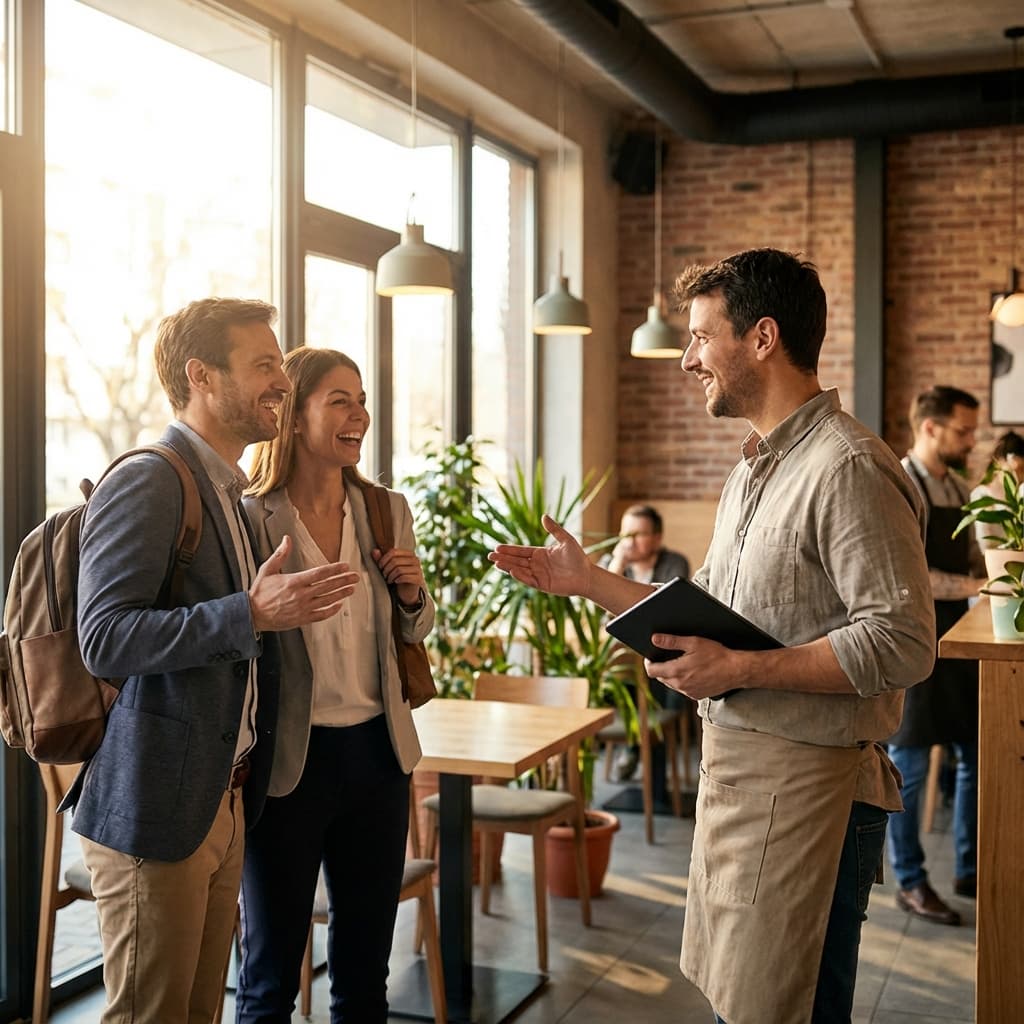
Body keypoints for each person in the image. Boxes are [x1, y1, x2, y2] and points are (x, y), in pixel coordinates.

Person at [490, 248, 935, 1023]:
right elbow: (713, 619)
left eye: (701, 337)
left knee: (790, 1008)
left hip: (815, 796)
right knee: (743, 1002)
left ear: (762, 338)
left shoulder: (847, 467)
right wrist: (589, 582)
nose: (689, 358)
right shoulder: (751, 471)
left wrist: (741, 665)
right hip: (744, 786)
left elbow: (901, 641)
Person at [68, 298, 359, 1024]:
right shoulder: (151, 478)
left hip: (221, 804)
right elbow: (103, 638)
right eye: (263, 366)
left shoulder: (227, 490)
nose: (281, 384)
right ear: (201, 376)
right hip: (157, 813)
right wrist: (250, 614)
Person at [236, 346, 434, 1022]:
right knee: (268, 975)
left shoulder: (386, 509)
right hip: (288, 763)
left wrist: (412, 594)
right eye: (339, 401)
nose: (360, 416)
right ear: (294, 417)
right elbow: (236, 636)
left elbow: (414, 629)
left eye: (362, 400)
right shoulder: (250, 516)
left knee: (363, 973)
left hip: (379, 758)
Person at [887, 386, 986, 926]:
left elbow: (978, 557)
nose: (972, 440)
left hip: (964, 643)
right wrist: (976, 583)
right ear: (930, 427)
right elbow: (911, 578)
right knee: (910, 767)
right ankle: (910, 880)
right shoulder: (901, 484)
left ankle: (970, 867)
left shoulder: (963, 489)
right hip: (916, 644)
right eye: (963, 431)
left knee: (975, 758)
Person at [601, 504, 690, 780]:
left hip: (666, 651)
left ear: (657, 538)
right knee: (624, 678)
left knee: (664, 681)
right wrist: (618, 565)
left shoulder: (674, 563)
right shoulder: (611, 565)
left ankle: (642, 751)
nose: (630, 542)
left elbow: (669, 611)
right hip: (624, 663)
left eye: (639, 534)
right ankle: (639, 745)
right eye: (625, 534)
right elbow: (602, 613)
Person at [970, 429, 1024, 548]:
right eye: (1016, 469)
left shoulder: (1020, 497)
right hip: (993, 561)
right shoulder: (982, 495)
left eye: (1022, 470)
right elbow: (983, 543)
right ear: (999, 462)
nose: (1018, 476)